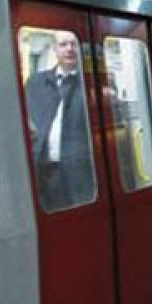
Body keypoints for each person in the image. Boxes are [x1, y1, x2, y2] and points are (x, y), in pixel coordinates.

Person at [24, 30, 95, 211]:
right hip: (43, 171)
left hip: (79, 173)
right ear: (55, 49)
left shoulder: (93, 82)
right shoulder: (35, 83)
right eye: (63, 44)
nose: (69, 49)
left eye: (74, 44)